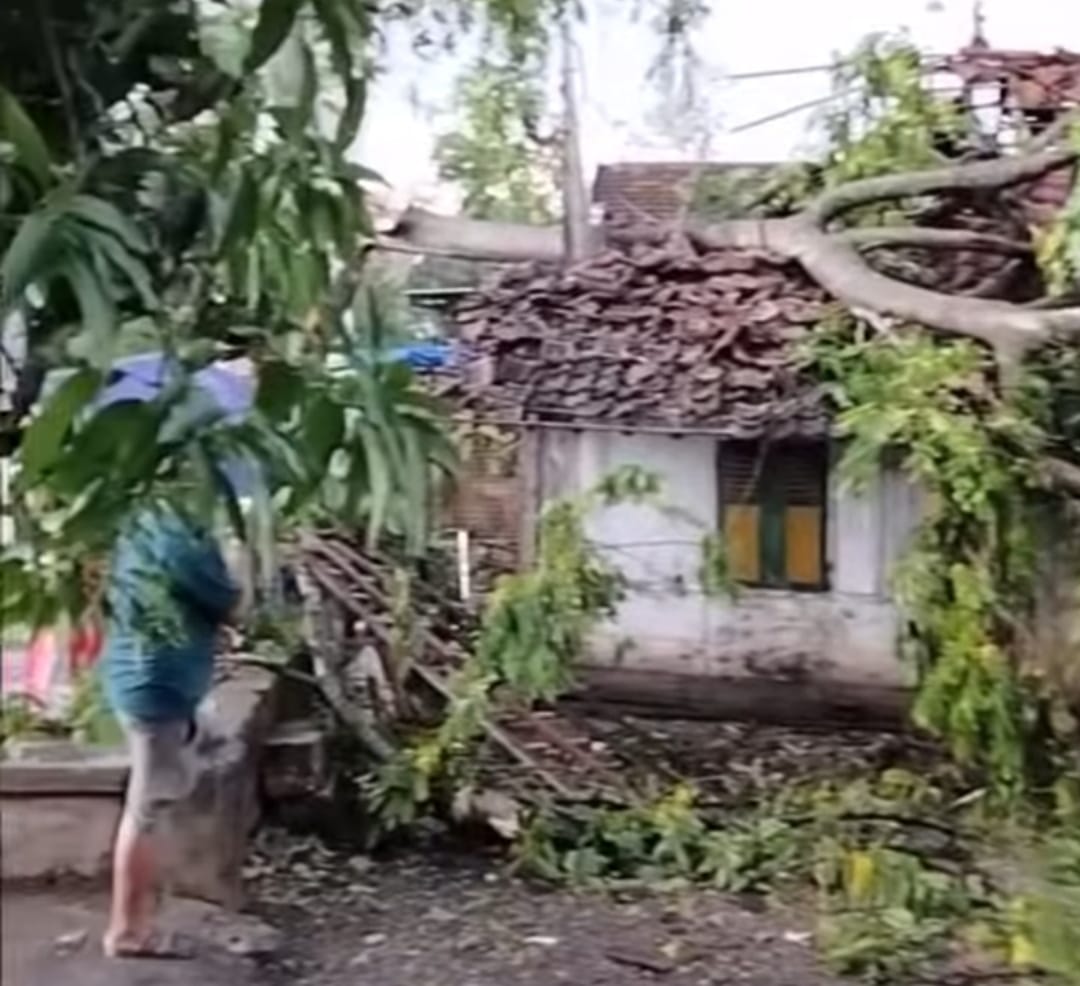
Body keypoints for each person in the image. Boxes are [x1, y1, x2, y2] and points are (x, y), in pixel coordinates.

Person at [100, 504, 238, 959]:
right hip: (156, 679)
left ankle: (144, 908)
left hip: (147, 674)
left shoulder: (145, 508)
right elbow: (220, 594)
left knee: (191, 760)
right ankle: (127, 932)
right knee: (146, 810)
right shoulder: (176, 522)